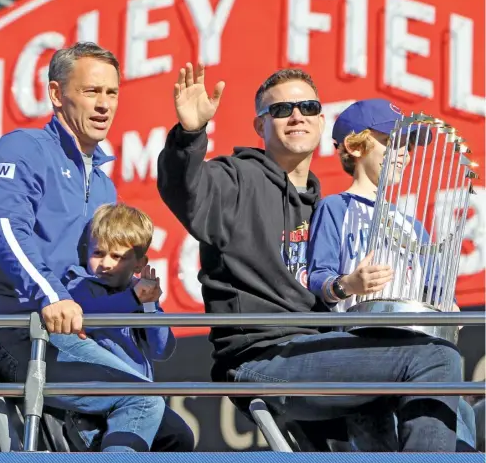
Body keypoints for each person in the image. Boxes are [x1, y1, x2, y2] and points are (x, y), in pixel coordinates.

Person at [157, 63, 463, 452]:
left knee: (453, 403)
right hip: (264, 357)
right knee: (436, 361)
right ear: (260, 127)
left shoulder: (328, 207)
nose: (296, 115)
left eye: (307, 106)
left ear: (321, 120)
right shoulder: (235, 180)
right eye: (281, 110)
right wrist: (188, 135)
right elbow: (184, 189)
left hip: (327, 351)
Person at [0, 42, 166, 452]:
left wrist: (145, 305)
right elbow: (5, 230)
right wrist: (52, 295)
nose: (104, 105)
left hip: (71, 332)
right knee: (141, 400)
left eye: (111, 93)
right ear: (57, 95)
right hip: (10, 326)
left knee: (172, 432)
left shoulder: (103, 182)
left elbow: (101, 276)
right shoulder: (21, 148)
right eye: (91, 91)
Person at [307, 98, 475, 451]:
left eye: (408, 146)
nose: (404, 154)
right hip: (361, 348)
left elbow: (432, 287)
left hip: (417, 344)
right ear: (355, 146)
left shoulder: (411, 224)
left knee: (458, 413)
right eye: (392, 142)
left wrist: (450, 307)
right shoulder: (335, 208)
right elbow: (318, 276)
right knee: (373, 435)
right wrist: (348, 284)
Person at [62, 203, 194, 452]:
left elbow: (162, 349)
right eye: (98, 253)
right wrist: (133, 299)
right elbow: (86, 313)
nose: (106, 264)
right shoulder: (78, 284)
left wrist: (150, 306)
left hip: (137, 400)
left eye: (118, 257)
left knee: (179, 436)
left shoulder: (138, 293)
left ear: (139, 264)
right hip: (94, 405)